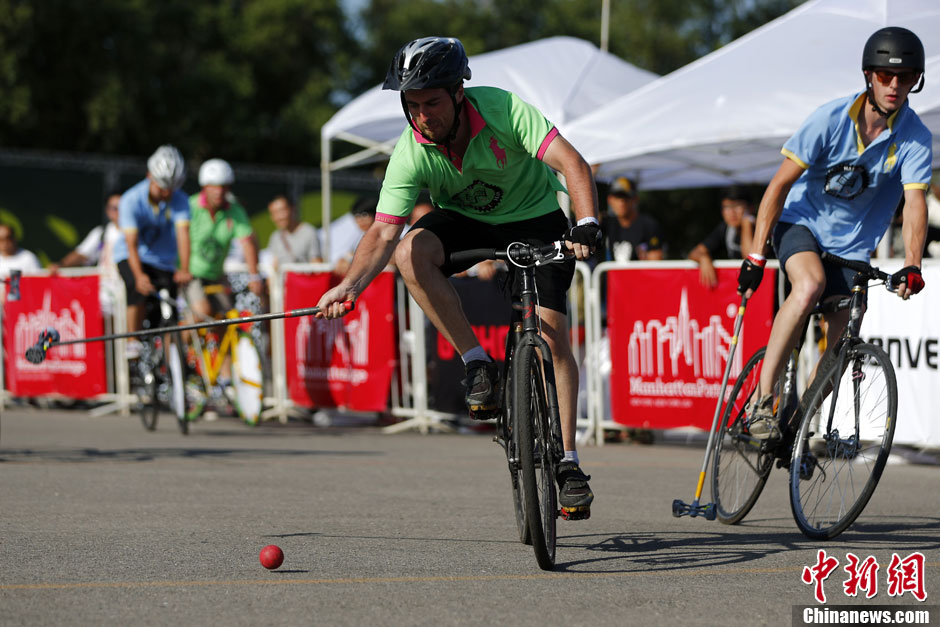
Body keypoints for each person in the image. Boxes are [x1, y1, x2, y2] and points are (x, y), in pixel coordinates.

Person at [316, 36, 600, 518]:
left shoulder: (503, 110)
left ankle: (568, 461)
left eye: (432, 102)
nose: (424, 116)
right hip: (468, 222)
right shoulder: (412, 149)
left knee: (553, 339)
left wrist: (587, 222)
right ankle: (476, 363)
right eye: (413, 106)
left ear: (458, 93)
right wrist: (350, 286)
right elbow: (383, 235)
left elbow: (572, 163)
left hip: (537, 219)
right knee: (411, 252)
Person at [738, 27, 931, 441]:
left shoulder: (915, 137)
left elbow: (915, 203)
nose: (894, 85)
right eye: (884, 75)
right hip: (801, 225)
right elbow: (778, 186)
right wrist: (756, 254)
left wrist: (913, 263)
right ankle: (761, 402)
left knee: (843, 345)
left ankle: (795, 426)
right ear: (868, 75)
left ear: (917, 80)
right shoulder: (829, 118)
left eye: (906, 77)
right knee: (809, 286)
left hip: (853, 248)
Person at [113, 145, 192, 334]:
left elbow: (183, 235)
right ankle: (132, 341)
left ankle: (171, 356)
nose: (167, 194)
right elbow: (131, 244)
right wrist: (139, 275)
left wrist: (184, 269)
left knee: (169, 308)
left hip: (161, 258)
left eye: (172, 189)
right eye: (163, 188)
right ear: (150, 176)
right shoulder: (131, 200)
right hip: (131, 255)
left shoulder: (180, 199)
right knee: (138, 288)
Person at [186, 158, 262, 320]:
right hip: (191, 275)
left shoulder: (235, 210)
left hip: (216, 275)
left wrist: (254, 276)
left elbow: (247, 242)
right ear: (204, 186)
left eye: (224, 186)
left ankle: (219, 346)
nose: (219, 191)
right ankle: (176, 344)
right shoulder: (190, 207)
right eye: (214, 186)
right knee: (203, 311)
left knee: (226, 318)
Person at [50, 193, 124, 313]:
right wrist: (61, 265)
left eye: (122, 207)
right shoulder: (101, 232)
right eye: (114, 208)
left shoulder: (137, 232)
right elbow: (82, 254)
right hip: (104, 294)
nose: (118, 212)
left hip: (128, 294)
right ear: (107, 211)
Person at [688, 186, 755, 287]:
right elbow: (694, 253)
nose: (732, 213)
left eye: (737, 206)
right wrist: (704, 258)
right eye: (727, 207)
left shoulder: (761, 227)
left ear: (750, 208)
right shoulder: (725, 229)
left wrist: (747, 223)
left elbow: (751, 259)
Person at [601, 176, 665, 262]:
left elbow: (656, 261)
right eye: (617, 196)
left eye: (626, 197)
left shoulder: (648, 225)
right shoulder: (608, 223)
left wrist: (646, 260)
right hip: (613, 275)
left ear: (635, 199)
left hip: (640, 275)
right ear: (609, 199)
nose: (621, 202)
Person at [266, 194, 321, 270]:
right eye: (274, 213)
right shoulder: (275, 236)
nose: (279, 217)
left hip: (302, 281)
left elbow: (317, 265)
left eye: (282, 211)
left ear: (292, 209)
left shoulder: (309, 232)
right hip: (281, 282)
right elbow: (273, 267)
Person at [331, 195, 376, 276]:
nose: (360, 220)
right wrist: (345, 259)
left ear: (375, 214)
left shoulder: (390, 233)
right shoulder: (357, 234)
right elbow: (350, 252)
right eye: (357, 216)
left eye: (364, 214)